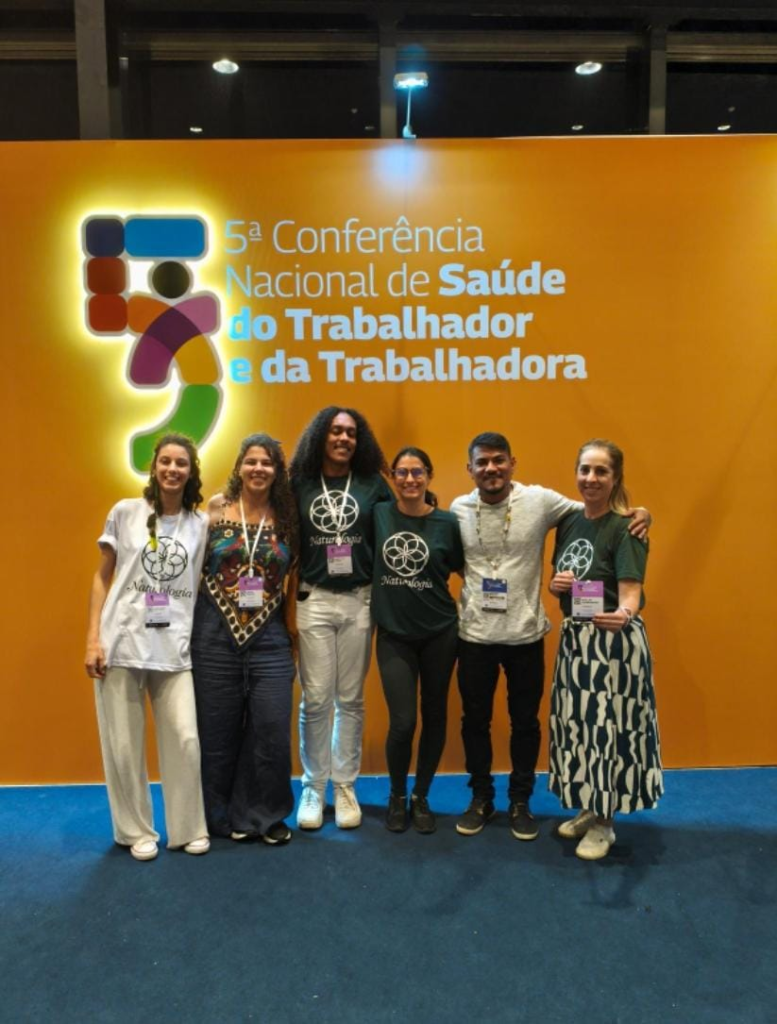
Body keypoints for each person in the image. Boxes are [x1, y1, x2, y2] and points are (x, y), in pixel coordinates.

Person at [450, 432, 650, 841]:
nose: (491, 468)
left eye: (499, 460)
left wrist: (642, 513)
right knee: (475, 722)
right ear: (470, 468)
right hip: (474, 634)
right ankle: (481, 798)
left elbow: (598, 509)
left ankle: (520, 802)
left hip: (525, 635)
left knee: (526, 723)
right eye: (482, 462)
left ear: (512, 463)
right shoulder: (457, 509)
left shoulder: (540, 501)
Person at [84, 433, 210, 862]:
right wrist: (92, 639)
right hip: (120, 642)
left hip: (174, 646)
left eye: (181, 463)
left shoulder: (200, 524)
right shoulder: (126, 512)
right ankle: (135, 830)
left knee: (186, 738)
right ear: (154, 466)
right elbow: (102, 577)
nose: (173, 469)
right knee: (122, 745)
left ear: (191, 472)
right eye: (165, 461)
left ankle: (188, 828)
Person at [548, 439, 662, 860]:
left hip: (613, 644)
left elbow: (630, 593)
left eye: (601, 471)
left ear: (616, 478)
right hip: (575, 641)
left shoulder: (627, 527)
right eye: (585, 469)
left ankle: (605, 823)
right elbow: (563, 582)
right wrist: (555, 585)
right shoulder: (569, 522)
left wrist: (624, 614)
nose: (591, 478)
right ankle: (590, 805)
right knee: (580, 730)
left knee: (609, 733)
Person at [191, 434, 299, 846]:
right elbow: (194, 569)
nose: (258, 469)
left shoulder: (287, 516)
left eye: (267, 463)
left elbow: (295, 578)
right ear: (239, 467)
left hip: (270, 636)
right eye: (251, 461)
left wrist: (293, 635)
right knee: (216, 730)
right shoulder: (217, 508)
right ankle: (220, 818)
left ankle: (266, 816)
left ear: (277, 471)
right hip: (213, 633)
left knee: (271, 728)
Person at [290, 406, 391, 829]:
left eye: (350, 433)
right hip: (313, 598)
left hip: (358, 600)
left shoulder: (373, 484)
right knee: (316, 699)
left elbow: (397, 526)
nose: (343, 439)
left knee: (350, 699)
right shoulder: (299, 482)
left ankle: (345, 785)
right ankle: (314, 786)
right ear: (320, 436)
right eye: (335, 431)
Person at [373, 447, 464, 834]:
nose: (409, 479)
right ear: (393, 477)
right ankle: (397, 795)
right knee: (403, 721)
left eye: (417, 472)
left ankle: (421, 796)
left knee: (435, 715)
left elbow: (466, 567)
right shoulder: (379, 514)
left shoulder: (448, 522)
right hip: (394, 635)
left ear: (429, 475)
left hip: (440, 632)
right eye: (402, 472)